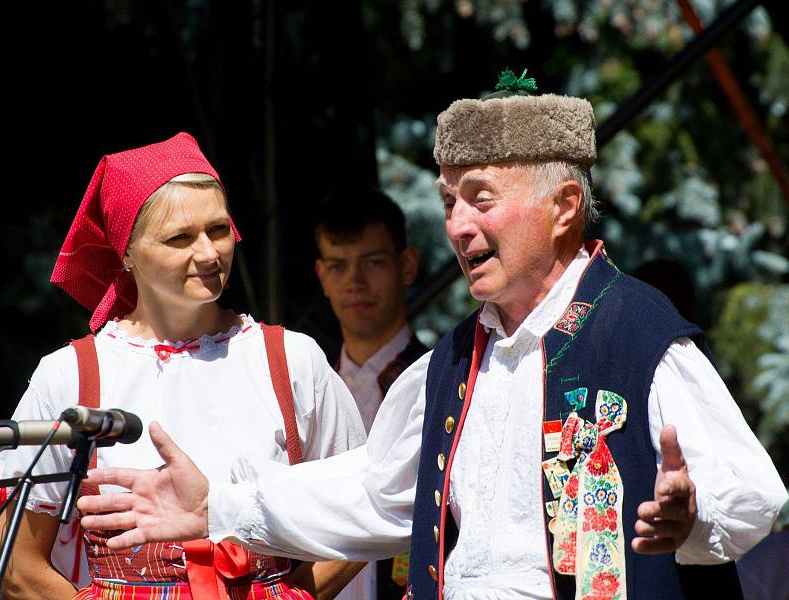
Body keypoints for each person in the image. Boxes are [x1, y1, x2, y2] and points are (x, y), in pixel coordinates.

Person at [76, 73, 788, 600]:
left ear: (564, 207)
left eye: (480, 199)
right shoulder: (452, 363)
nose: (456, 226)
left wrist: (690, 521)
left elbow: (755, 499)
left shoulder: (639, 335)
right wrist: (218, 507)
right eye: (449, 202)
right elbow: (375, 491)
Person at [0, 132, 365, 600]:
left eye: (218, 229)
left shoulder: (290, 360)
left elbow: (365, 507)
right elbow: (17, 563)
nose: (209, 254)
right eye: (179, 238)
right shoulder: (71, 375)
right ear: (125, 252)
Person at [302, 191, 426, 599]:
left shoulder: (441, 379)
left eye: (372, 263)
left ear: (406, 265)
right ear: (321, 276)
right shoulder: (305, 389)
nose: (354, 282)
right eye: (338, 266)